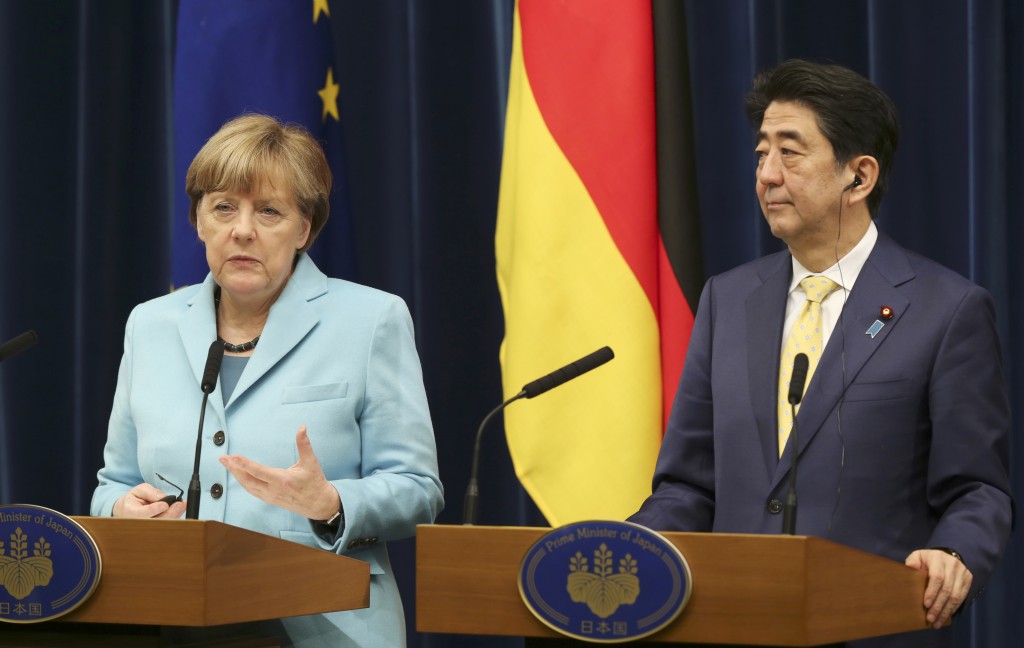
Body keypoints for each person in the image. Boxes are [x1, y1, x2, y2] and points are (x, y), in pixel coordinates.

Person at [629, 60, 1012, 647]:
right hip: (731, 626)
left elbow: (976, 487)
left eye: (791, 152)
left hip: (871, 626)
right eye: (761, 154)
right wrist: (627, 545)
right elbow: (689, 484)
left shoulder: (947, 311)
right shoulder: (727, 301)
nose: (767, 175)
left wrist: (954, 551)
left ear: (858, 177)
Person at [91, 113, 444, 647]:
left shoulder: (370, 320)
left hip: (326, 624)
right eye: (224, 207)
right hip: (172, 618)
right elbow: (111, 484)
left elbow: (419, 489)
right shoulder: (151, 324)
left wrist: (331, 503)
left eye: (269, 211)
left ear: (304, 229)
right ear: (199, 221)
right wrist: (123, 511)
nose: (242, 229)